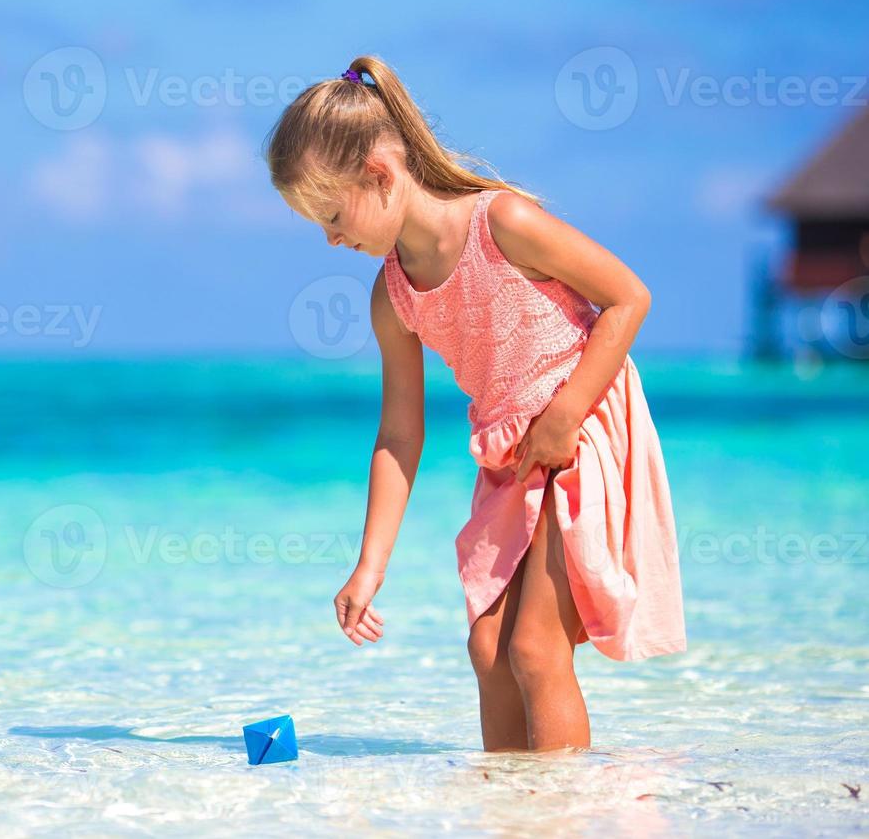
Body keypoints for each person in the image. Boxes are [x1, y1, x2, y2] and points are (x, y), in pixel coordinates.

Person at [264, 55, 687, 752]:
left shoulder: (504, 222)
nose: (330, 238)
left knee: (535, 649)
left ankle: (566, 817)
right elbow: (399, 435)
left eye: (332, 215)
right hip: (513, 452)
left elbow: (627, 298)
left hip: (582, 423)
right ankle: (510, 815)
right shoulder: (393, 297)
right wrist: (370, 566)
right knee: (488, 650)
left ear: (379, 174)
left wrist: (564, 415)